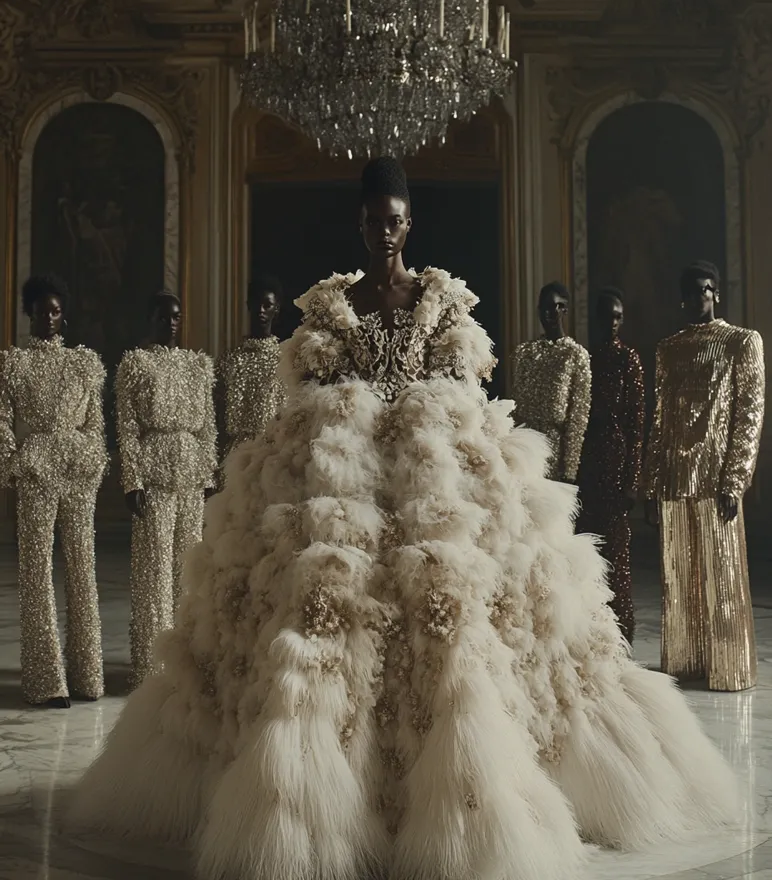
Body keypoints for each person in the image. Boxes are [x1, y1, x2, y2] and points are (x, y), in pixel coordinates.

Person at [72, 160, 738, 880]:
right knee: (310, 596)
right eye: (372, 220)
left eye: (394, 220)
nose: (383, 232)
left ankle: (472, 789)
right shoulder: (333, 304)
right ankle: (315, 794)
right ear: (360, 225)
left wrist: (419, 416)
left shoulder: (440, 301)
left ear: (408, 224)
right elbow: (310, 381)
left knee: (469, 600)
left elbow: (459, 378)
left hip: (432, 467)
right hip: (340, 470)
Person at [644, 261, 765, 692]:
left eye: (707, 290)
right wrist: (652, 483)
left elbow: (748, 416)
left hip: (716, 481)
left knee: (722, 579)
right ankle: (686, 663)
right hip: (676, 480)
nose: (701, 298)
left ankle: (729, 668)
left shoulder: (741, 343)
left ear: (716, 294)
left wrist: (735, 479)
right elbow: (658, 422)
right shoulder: (668, 349)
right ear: (682, 298)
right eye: (693, 291)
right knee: (681, 581)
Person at [0, 274, 106, 708]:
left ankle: (87, 677)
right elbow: (2, 420)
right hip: (36, 473)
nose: (48, 317)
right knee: (36, 570)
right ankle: (47, 680)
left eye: (55, 310)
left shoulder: (84, 363)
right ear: (29, 313)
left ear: (64, 316)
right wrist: (14, 464)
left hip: (78, 472)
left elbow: (96, 423)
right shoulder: (13, 363)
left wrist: (94, 459)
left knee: (82, 567)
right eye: (41, 309)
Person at [115, 290, 217, 686]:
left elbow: (208, 427)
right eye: (162, 317)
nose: (170, 323)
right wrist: (132, 479)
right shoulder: (135, 364)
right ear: (150, 319)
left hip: (191, 477)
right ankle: (149, 665)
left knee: (186, 570)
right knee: (152, 571)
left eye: (176, 317)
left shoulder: (197, 365)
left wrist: (209, 476)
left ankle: (182, 663)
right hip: (154, 476)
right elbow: (126, 427)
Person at [577, 288, 645, 645]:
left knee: (617, 553)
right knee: (588, 548)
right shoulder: (587, 358)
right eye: (607, 317)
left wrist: (631, 481)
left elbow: (636, 426)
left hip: (616, 463)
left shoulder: (628, 360)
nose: (612, 324)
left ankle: (622, 633)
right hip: (588, 463)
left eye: (618, 317)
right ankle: (592, 631)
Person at [510, 282, 591, 482]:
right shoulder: (525, 353)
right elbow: (515, 408)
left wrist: (570, 469)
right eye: (543, 308)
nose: (548, 313)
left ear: (563, 309)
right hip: (526, 448)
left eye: (554, 306)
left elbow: (577, 418)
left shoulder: (575, 355)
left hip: (555, 449)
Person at [215, 273, 286, 468]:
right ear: (248, 305)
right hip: (234, 456)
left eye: (267, 305)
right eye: (256, 304)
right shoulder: (230, 359)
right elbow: (217, 415)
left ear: (276, 308)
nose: (261, 311)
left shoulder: (284, 358)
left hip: (272, 455)